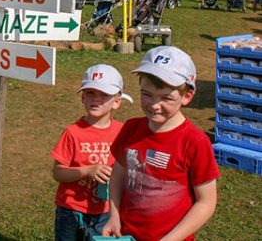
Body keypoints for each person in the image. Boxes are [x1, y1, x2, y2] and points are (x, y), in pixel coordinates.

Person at [102, 46, 220, 241]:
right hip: (126, 234)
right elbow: (118, 175)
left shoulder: (195, 142)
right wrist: (113, 215)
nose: (154, 105)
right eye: (146, 94)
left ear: (186, 96)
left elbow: (206, 202)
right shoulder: (131, 129)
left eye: (166, 97)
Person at [51, 65, 133, 240]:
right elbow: (58, 172)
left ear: (117, 102)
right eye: (90, 93)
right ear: (82, 97)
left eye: (104, 95)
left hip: (107, 210)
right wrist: (87, 171)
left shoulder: (123, 132)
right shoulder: (73, 132)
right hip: (71, 210)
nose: (96, 99)